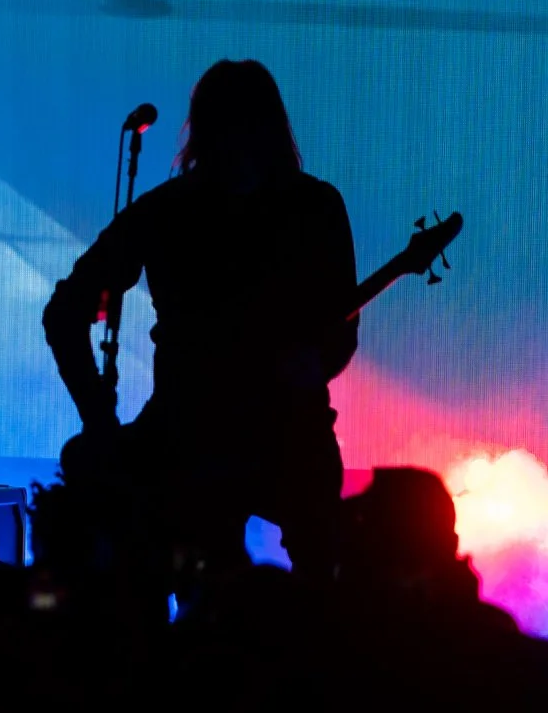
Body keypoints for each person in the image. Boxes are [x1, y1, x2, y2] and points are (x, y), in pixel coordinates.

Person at [42, 58, 357, 570]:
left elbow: (65, 312)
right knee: (317, 576)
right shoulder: (314, 207)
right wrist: (98, 419)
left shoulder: (168, 209)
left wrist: (98, 418)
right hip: (268, 434)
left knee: (197, 568)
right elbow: (342, 329)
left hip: (203, 433)